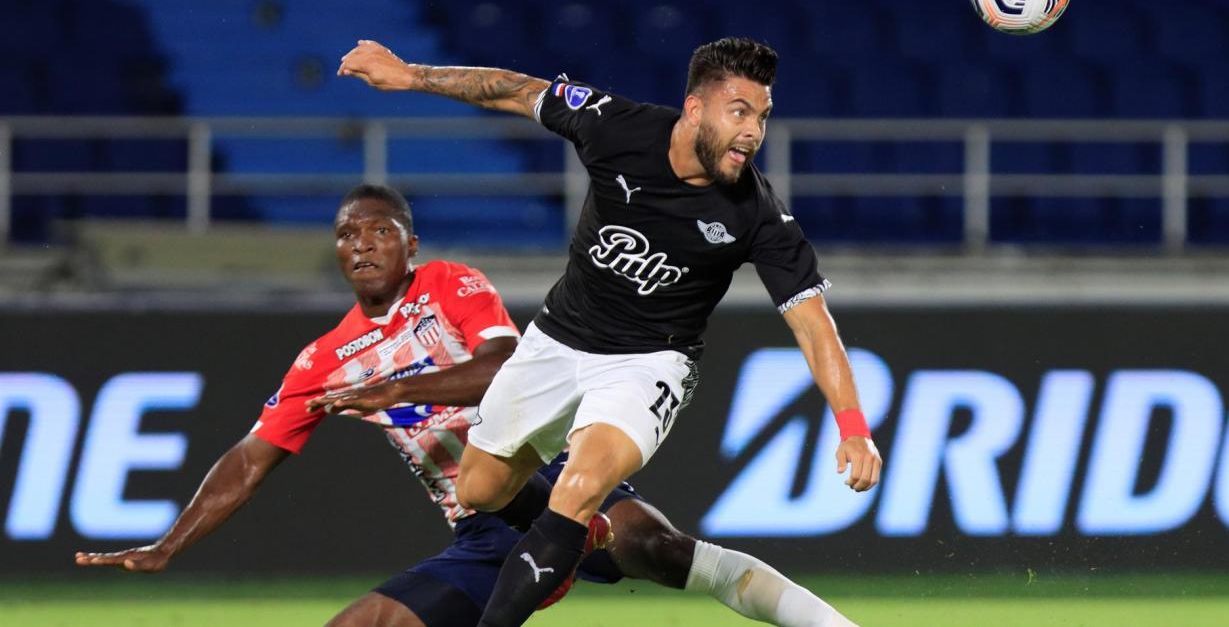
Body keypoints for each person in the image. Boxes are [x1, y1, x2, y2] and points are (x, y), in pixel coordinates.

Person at [75, 184, 861, 627]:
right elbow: (252, 457)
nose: (361, 244)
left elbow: (499, 366)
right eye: (347, 235)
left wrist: (398, 389)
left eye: (378, 230)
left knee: (658, 548)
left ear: (409, 244)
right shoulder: (322, 360)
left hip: (548, 472)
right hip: (480, 526)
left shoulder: (450, 285)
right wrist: (169, 543)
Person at [337, 38, 884, 627]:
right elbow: (517, 90)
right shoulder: (616, 127)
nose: (753, 132)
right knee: (479, 490)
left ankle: (566, 533)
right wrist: (411, 75)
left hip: (649, 362)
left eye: (763, 116)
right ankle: (583, 534)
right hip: (557, 338)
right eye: (740, 111)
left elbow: (814, 326)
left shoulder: (758, 216)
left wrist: (854, 429)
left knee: (578, 485)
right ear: (695, 110)